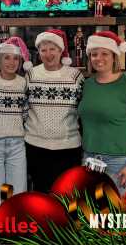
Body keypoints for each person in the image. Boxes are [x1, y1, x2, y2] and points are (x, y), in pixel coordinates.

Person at [78, 31, 126, 193]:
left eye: (105, 53)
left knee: (112, 215)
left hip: (118, 163)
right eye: (94, 54)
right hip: (88, 160)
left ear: (114, 56)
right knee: (89, 215)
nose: (99, 58)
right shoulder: (87, 85)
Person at [25, 29, 84, 193]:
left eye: (52, 49)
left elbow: (83, 109)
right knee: (41, 193)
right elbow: (23, 107)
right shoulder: (31, 75)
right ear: (38, 52)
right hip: (36, 146)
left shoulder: (75, 77)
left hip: (68, 147)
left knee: (67, 193)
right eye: (43, 50)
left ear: (60, 51)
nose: (48, 54)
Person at [0, 36, 32, 207]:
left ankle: (17, 220)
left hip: (17, 142)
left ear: (20, 62)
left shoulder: (23, 83)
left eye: (16, 59)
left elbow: (26, 113)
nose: (11, 63)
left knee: (18, 187)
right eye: (7, 58)